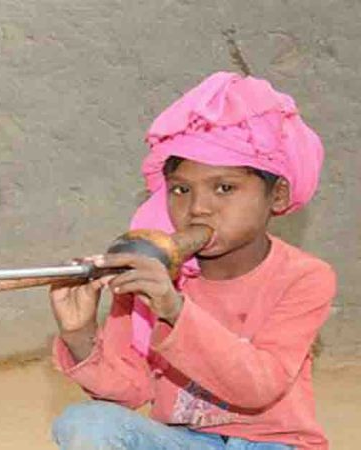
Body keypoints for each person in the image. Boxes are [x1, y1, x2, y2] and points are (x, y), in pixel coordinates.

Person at [49, 72, 335, 450]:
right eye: (181, 190)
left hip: (274, 445)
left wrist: (174, 309)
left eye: (224, 188)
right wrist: (80, 334)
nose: (198, 208)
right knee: (85, 423)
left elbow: (258, 386)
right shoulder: (156, 272)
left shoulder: (305, 277)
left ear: (277, 196)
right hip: (185, 442)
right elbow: (130, 391)